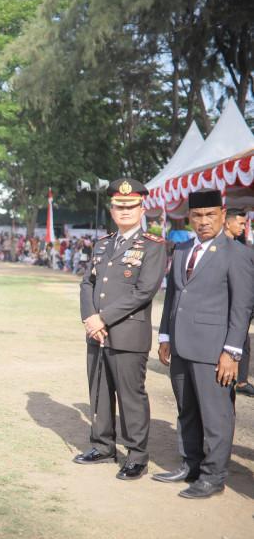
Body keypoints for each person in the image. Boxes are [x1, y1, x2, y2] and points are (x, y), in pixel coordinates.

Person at [154, 189, 254, 498]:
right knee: (186, 410)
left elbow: (242, 307)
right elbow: (173, 295)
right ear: (189, 218)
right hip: (181, 345)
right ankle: (190, 465)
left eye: (210, 214)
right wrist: (165, 335)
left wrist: (232, 352)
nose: (204, 221)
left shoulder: (237, 254)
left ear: (223, 215)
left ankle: (213, 477)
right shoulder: (182, 249)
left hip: (214, 350)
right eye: (197, 216)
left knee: (216, 416)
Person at [73, 178, 167, 481]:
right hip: (97, 332)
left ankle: (136, 455)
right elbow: (87, 283)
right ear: (112, 209)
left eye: (131, 206)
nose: (125, 211)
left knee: (130, 396)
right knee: (99, 392)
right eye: (119, 206)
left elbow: (143, 291)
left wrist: (104, 318)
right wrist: (90, 317)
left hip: (128, 333)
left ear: (142, 208)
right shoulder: (102, 244)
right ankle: (102, 445)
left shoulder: (152, 246)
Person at [223, 208, 254, 397]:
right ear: (227, 222)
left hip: (241, 306)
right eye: (240, 223)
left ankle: (241, 380)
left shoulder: (242, 249)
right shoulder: (218, 248)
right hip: (224, 308)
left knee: (244, 342)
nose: (244, 227)